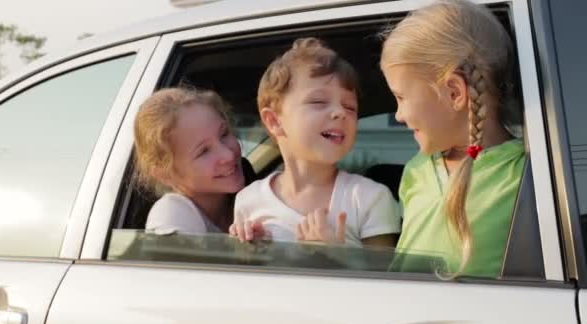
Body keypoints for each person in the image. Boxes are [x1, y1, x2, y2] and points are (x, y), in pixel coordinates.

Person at [380, 0, 525, 277]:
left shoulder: (526, 174)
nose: (397, 115)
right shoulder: (416, 170)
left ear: (455, 93)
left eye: (400, 98)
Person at [230, 37, 400, 247]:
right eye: (319, 102)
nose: (339, 112)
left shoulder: (369, 198)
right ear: (274, 121)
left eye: (350, 107)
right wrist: (244, 251)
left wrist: (336, 257)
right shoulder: (249, 200)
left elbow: (384, 278)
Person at [133, 86, 246, 235]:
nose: (229, 155)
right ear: (165, 174)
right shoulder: (172, 214)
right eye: (204, 151)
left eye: (224, 134)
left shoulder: (251, 191)